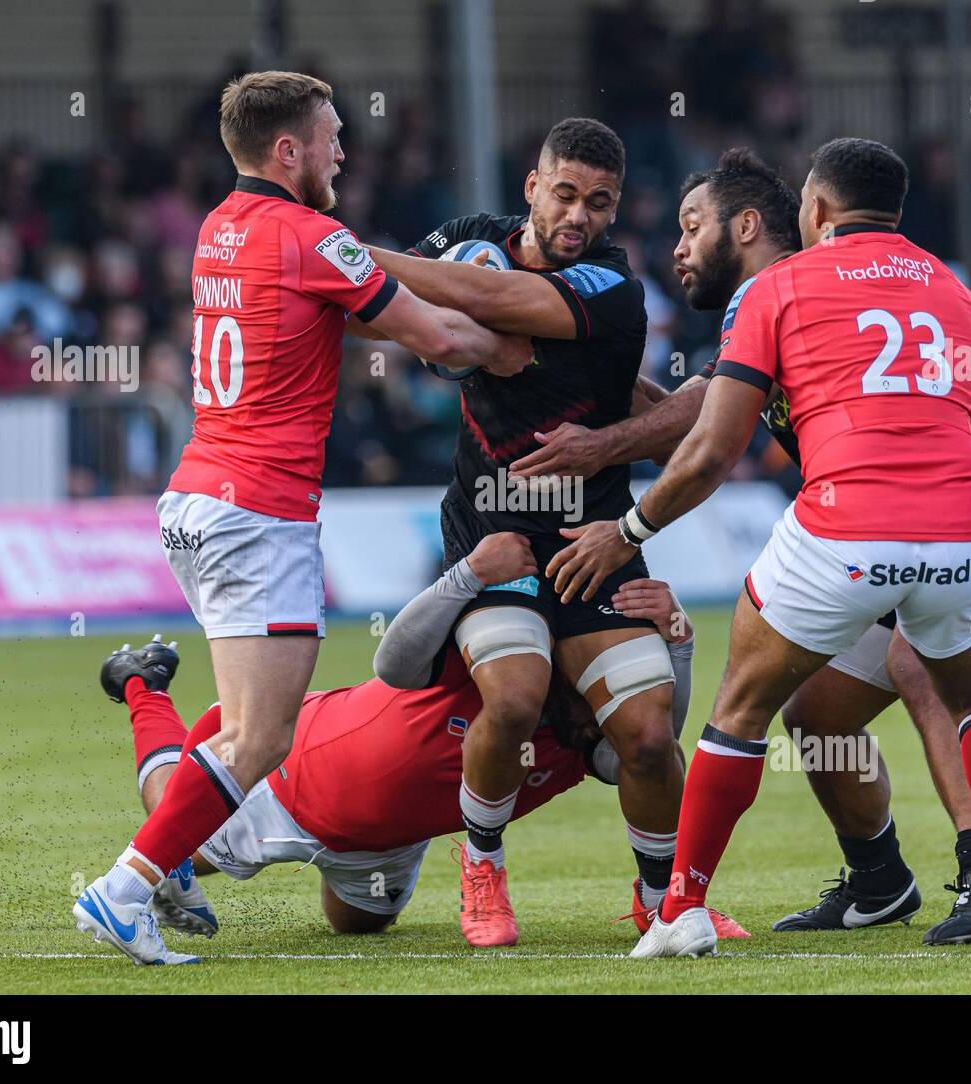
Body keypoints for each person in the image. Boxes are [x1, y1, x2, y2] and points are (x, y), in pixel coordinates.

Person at [548, 137, 971, 957]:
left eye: (692, 226)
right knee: (819, 715)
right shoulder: (941, 284)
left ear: (798, 214)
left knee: (850, 679)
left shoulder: (780, 293)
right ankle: (882, 881)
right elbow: (698, 413)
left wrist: (625, 526)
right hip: (946, 526)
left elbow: (708, 444)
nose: (679, 248)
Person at [73, 71, 533, 966]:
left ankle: (154, 823)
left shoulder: (221, 228)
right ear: (289, 151)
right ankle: (127, 887)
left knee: (243, 728)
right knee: (260, 738)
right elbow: (439, 340)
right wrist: (521, 349)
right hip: (259, 513)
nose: (342, 153)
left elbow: (333, 318)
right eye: (330, 138)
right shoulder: (314, 234)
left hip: (200, 500)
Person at [87, 533, 744, 947]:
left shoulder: (588, 737)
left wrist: (679, 643)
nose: (602, 710)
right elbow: (393, 662)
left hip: (392, 839)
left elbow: (652, 752)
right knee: (177, 833)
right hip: (301, 777)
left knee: (360, 924)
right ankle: (144, 688)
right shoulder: (502, 674)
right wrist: (466, 574)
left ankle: (336, 858)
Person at [366, 119, 686, 948]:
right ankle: (482, 868)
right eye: (567, 194)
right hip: (493, 530)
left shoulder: (612, 284)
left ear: (616, 212)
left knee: (650, 735)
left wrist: (343, 253)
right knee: (508, 701)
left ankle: (663, 900)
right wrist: (410, 312)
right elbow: (366, 318)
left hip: (595, 540)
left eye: (601, 202)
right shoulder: (470, 240)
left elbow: (487, 299)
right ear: (532, 187)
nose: (580, 214)